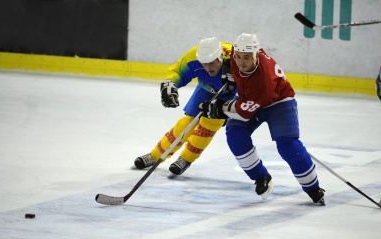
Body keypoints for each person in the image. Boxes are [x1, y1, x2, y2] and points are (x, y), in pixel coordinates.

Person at [199, 33, 325, 205]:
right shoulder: (237, 51)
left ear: (256, 55)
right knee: (235, 136)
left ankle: (312, 187)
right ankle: (261, 177)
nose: (241, 62)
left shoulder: (263, 81)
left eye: (246, 58)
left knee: (288, 146)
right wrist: (229, 71)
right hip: (250, 98)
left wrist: (218, 109)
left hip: (278, 101)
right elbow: (227, 58)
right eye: (238, 57)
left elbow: (243, 112)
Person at [134, 37, 235, 175]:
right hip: (206, 88)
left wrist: (231, 106)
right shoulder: (194, 57)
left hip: (231, 94)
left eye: (211, 63)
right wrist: (170, 85)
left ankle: (186, 159)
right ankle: (155, 156)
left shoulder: (239, 60)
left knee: (210, 124)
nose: (208, 67)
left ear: (221, 56)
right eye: (204, 63)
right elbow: (177, 72)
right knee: (186, 124)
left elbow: (252, 90)